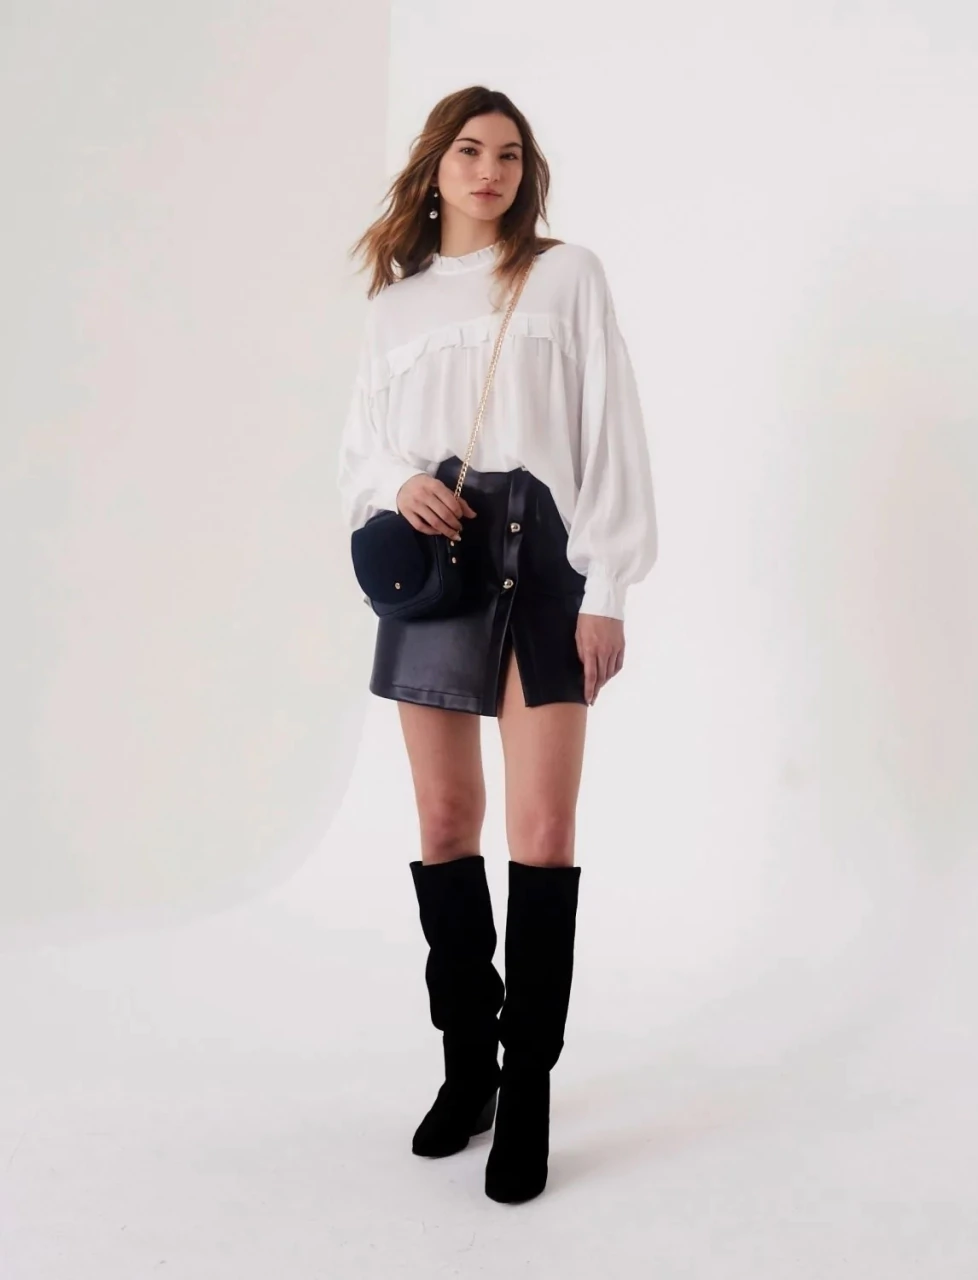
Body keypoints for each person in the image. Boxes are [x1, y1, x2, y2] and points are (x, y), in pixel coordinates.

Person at [337, 85, 657, 1204]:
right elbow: (359, 452)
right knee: (442, 821)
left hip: (547, 558)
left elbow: (612, 431)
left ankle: (529, 1088)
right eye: (470, 151)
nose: (490, 171)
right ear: (435, 168)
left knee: (544, 829)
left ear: (527, 174)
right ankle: (467, 1063)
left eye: (510, 155)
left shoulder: (566, 275)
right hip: (438, 568)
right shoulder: (395, 308)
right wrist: (400, 483)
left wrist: (607, 588)